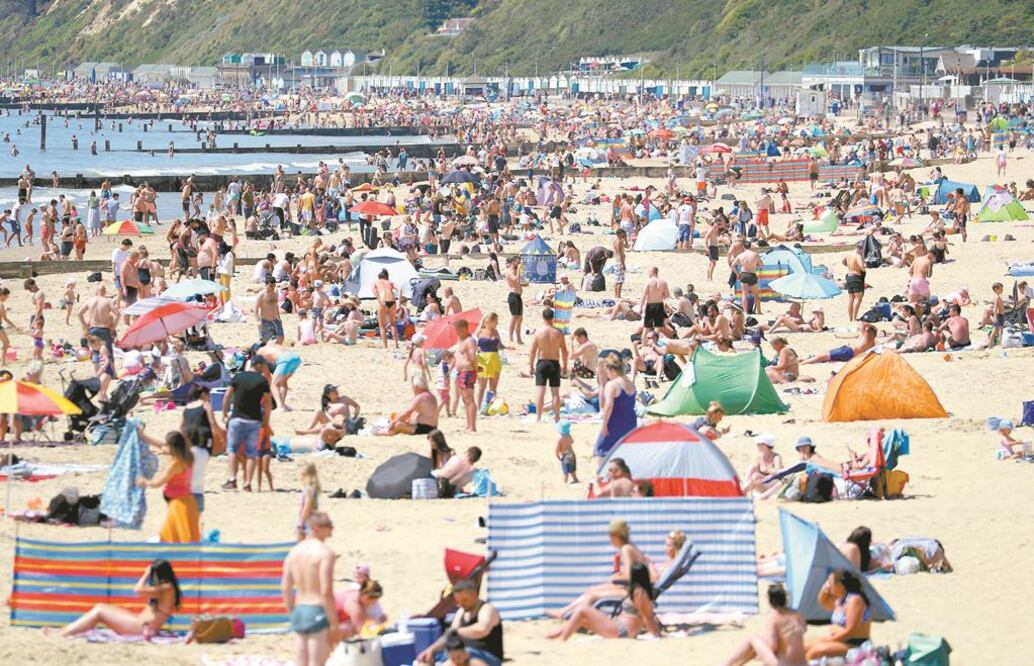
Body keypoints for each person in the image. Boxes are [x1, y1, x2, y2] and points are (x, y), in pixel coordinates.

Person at [550, 519, 649, 618]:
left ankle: (575, 617)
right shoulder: (630, 547)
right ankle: (565, 612)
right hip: (636, 590)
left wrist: (616, 578)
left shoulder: (626, 549)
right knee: (592, 590)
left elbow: (629, 576)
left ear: (615, 535)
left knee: (592, 595)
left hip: (632, 593)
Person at [62, 560, 181, 637]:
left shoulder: (167, 588)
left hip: (140, 627)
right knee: (102, 607)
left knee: (99, 611)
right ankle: (67, 631)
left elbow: (138, 589)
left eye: (153, 575)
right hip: (140, 624)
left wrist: (146, 573)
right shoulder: (167, 588)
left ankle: (64, 633)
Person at [546, 561, 662, 641]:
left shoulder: (640, 593)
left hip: (622, 631)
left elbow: (647, 617)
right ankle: (555, 635)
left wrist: (658, 635)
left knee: (583, 609)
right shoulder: (638, 591)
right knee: (581, 620)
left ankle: (562, 640)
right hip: (619, 627)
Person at [282, 511, 341, 666]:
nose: (332, 530)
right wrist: (334, 624)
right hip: (317, 609)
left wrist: (291, 613)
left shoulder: (294, 551)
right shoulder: (325, 553)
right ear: (316, 528)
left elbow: (286, 587)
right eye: (328, 526)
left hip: (300, 609)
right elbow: (326, 590)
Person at [417, 579, 504, 666]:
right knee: (429, 658)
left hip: (487, 656)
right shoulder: (462, 612)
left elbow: (482, 630)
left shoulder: (487, 609)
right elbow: (449, 635)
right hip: (462, 653)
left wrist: (457, 631)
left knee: (460, 657)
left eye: (464, 600)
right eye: (458, 601)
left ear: (474, 595)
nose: (462, 604)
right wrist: (431, 650)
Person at [136, 431, 199, 543]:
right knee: (179, 534)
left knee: (178, 536)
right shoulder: (189, 456)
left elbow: (158, 483)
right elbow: (161, 445)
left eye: (167, 445)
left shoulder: (175, 464)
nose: (164, 446)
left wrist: (144, 481)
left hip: (178, 503)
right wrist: (144, 435)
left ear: (173, 448)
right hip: (187, 500)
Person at [222, 356, 273, 492]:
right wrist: (266, 420)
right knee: (251, 453)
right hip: (254, 419)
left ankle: (232, 479)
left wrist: (224, 412)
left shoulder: (238, 377)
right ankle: (247, 483)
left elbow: (227, 395)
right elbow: (268, 402)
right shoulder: (262, 380)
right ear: (259, 365)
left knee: (232, 450)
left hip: (237, 418)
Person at [724, 584, 807, 666]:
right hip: (803, 664)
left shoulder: (775, 616)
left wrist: (759, 654)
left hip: (782, 664)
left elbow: (772, 645)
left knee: (753, 638)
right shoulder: (797, 614)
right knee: (759, 643)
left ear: (770, 600)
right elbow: (803, 629)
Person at [804, 570, 873, 659]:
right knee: (803, 646)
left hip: (855, 644)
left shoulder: (855, 600)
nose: (828, 584)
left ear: (840, 585)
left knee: (816, 651)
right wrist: (824, 588)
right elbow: (823, 602)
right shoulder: (840, 600)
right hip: (840, 641)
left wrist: (828, 640)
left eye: (830, 581)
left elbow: (850, 632)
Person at [528, 308, 568, 423]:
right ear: (553, 318)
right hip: (554, 363)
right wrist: (565, 365)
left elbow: (532, 351)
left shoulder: (539, 332)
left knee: (540, 391)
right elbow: (564, 351)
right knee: (555, 393)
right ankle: (557, 417)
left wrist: (530, 365)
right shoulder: (558, 333)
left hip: (542, 362)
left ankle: (538, 418)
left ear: (543, 317)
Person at [593, 354, 636, 458]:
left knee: (601, 451)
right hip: (631, 423)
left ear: (612, 370)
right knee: (623, 453)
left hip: (615, 422)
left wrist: (604, 424)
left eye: (607, 372)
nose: (607, 375)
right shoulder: (630, 383)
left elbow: (608, 406)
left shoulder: (612, 385)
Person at [802, 323, 877, 364]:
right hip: (851, 356)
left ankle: (805, 362)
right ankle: (806, 359)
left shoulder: (865, 336)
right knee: (827, 357)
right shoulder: (872, 342)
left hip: (848, 352)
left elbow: (861, 324)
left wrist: (872, 326)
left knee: (824, 356)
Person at [453, 318, 479, 432]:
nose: (456, 332)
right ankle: (468, 425)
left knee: (469, 399)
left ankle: (472, 426)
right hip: (462, 372)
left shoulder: (469, 341)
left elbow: (473, 355)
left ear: (463, 328)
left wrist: (475, 368)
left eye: (457, 330)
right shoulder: (462, 340)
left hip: (467, 371)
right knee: (465, 400)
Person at [374, 268, 399, 349]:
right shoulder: (389, 282)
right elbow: (400, 289)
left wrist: (379, 299)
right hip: (392, 301)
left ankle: (385, 346)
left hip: (383, 301)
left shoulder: (376, 282)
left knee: (382, 326)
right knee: (393, 324)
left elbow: (374, 291)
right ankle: (396, 344)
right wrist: (399, 301)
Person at [255, 276, 285, 344]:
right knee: (264, 341)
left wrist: (279, 317)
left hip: (275, 319)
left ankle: (276, 351)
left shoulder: (276, 292)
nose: (273, 288)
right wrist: (258, 321)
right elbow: (256, 309)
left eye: (274, 285)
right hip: (265, 321)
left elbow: (276, 305)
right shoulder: (261, 295)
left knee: (281, 337)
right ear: (266, 285)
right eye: (271, 286)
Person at [297, 463, 321, 541]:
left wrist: (301, 523)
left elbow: (307, 506)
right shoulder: (313, 488)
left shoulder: (308, 489)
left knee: (302, 542)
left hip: (307, 519)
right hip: (313, 517)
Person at [504, 256, 525, 344]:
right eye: (517, 262)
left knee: (520, 318)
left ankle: (519, 338)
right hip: (513, 296)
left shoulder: (515, 271)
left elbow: (517, 282)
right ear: (513, 262)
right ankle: (510, 337)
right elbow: (514, 279)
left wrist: (523, 285)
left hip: (518, 296)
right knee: (514, 317)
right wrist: (519, 270)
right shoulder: (509, 271)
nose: (519, 264)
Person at [844, 242, 866, 322]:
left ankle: (850, 318)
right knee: (858, 298)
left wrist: (850, 266)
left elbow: (843, 262)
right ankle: (854, 318)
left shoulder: (848, 254)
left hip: (849, 276)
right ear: (861, 249)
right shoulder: (858, 255)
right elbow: (861, 267)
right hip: (856, 277)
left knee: (851, 298)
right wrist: (863, 268)